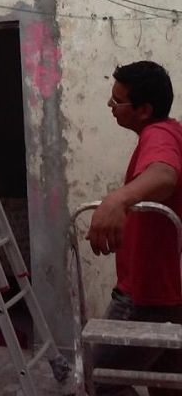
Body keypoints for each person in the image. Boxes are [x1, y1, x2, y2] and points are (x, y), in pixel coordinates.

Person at [87, 61, 182, 396]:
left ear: (144, 110)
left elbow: (165, 175)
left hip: (144, 294)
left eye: (117, 102)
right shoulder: (170, 130)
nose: (110, 107)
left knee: (102, 378)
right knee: (166, 383)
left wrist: (116, 200)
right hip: (165, 289)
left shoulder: (158, 136)